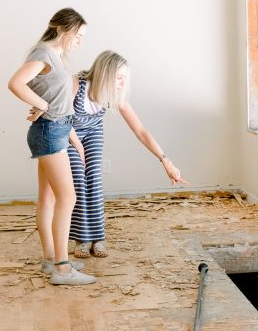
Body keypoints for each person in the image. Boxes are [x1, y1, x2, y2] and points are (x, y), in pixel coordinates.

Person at [7, 8, 96, 286]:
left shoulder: (54, 56)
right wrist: (43, 106)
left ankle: (50, 259)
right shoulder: (43, 53)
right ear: (62, 28)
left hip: (53, 130)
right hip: (49, 132)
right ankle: (62, 268)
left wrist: (73, 137)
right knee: (67, 198)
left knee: (49, 198)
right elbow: (15, 83)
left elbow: (56, 101)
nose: (80, 41)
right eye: (78, 35)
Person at [68, 50, 187, 257]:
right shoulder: (77, 85)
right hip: (69, 133)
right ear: (106, 73)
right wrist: (78, 147)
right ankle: (81, 239)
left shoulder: (113, 95)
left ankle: (98, 238)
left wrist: (165, 160)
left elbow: (141, 131)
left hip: (93, 132)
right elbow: (61, 117)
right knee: (79, 177)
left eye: (125, 78)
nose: (122, 83)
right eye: (119, 78)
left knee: (94, 177)